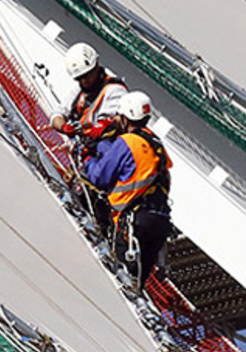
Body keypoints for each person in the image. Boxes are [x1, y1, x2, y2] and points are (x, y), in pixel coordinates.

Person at [83, 91, 174, 290]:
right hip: (159, 221)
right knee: (139, 280)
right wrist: (103, 146)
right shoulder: (155, 144)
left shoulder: (127, 142)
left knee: (123, 276)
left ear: (125, 117)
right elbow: (131, 164)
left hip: (135, 221)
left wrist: (87, 159)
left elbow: (100, 177)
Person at [52, 43, 126, 230]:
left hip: (106, 152)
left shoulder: (114, 90)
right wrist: (65, 126)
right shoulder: (79, 92)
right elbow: (57, 114)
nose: (84, 81)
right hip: (85, 155)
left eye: (87, 76)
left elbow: (117, 120)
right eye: (80, 78)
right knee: (79, 194)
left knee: (99, 198)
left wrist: (99, 126)